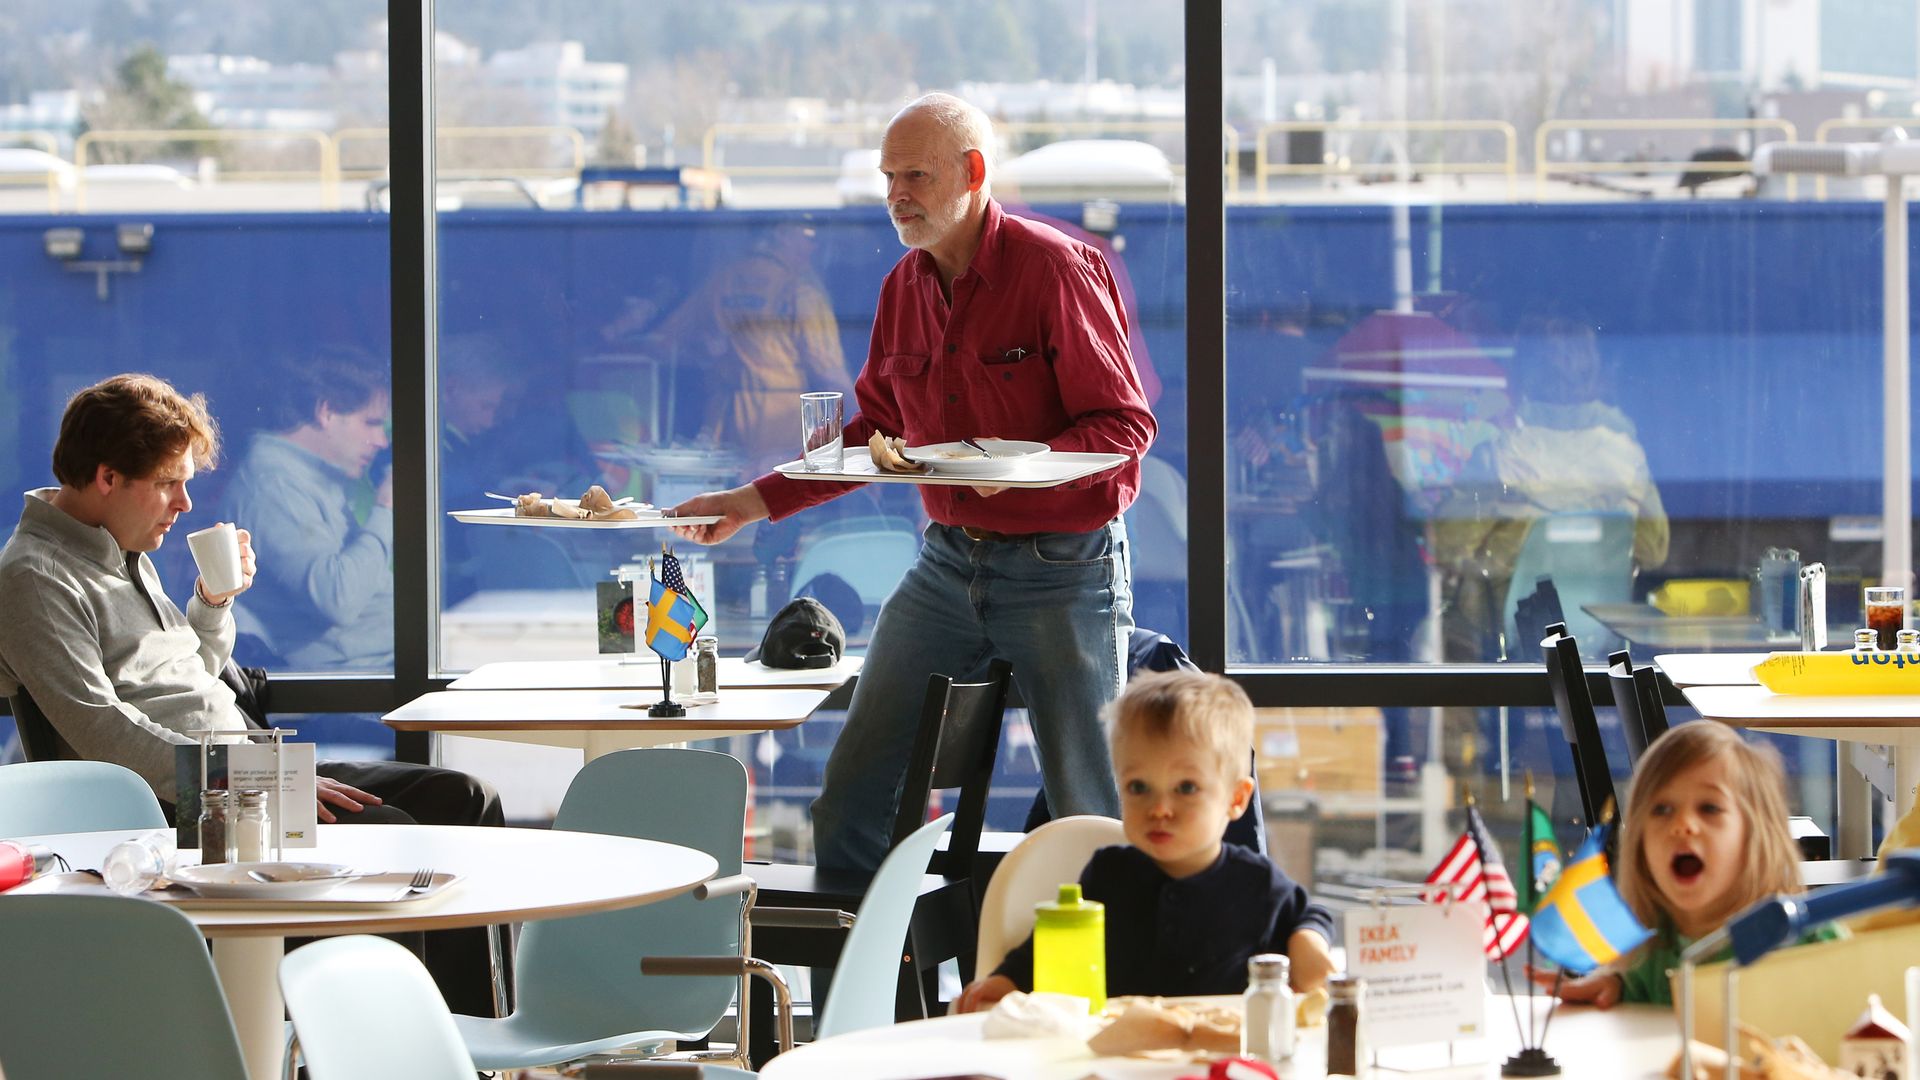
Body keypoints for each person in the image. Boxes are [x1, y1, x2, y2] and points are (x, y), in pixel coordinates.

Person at [671, 93, 1157, 875]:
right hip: (946, 566)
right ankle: (863, 994)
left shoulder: (1056, 269)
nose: (897, 194)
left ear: (973, 173)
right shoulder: (903, 289)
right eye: (888, 176)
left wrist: (1020, 471)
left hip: (1062, 571)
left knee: (1088, 814)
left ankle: (1097, 997)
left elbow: (1124, 427)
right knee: (851, 800)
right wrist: (750, 503)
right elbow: (871, 434)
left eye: (917, 176)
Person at [0, 373, 504, 1012]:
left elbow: (193, 676)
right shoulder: (34, 576)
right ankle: (371, 1050)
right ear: (106, 477)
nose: (184, 503)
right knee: (386, 831)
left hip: (237, 772)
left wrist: (212, 603)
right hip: (185, 803)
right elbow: (100, 726)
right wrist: (255, 778)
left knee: (460, 798)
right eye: (167, 483)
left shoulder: (124, 550)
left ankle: (462, 1041)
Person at [955, 671, 1336, 1011]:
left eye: (1185, 788)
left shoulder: (1258, 884)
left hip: (1217, 1060)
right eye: (1139, 787)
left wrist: (1307, 941)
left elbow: (1308, 915)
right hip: (1117, 1060)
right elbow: (1047, 948)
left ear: (1236, 799)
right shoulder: (1108, 874)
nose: (1159, 808)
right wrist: (1007, 980)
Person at [1528, 722, 1838, 1008]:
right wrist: (1617, 987)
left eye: (1709, 808)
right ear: (1640, 844)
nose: (1683, 824)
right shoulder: (1648, 956)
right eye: (1662, 809)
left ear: (1754, 836)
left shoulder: (1807, 945)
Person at [223, 347, 395, 671]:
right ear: (326, 412)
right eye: (371, 423)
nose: (381, 441)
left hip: (377, 665)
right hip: (350, 682)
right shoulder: (273, 487)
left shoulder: (307, 479)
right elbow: (338, 599)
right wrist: (385, 508)